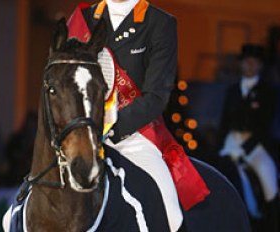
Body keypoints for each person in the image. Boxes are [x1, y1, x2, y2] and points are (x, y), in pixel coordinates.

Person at [67, 0, 209, 231]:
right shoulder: (83, 19)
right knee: (17, 211)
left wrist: (111, 126)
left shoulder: (159, 23)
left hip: (134, 136)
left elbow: (157, 96)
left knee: (171, 214)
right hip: (80, 136)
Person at [219, 44, 279, 231]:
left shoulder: (268, 91)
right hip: (232, 142)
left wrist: (250, 145)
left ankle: (273, 221)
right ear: (242, 64)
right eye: (247, 62)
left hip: (255, 144)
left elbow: (267, 123)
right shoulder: (232, 90)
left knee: (270, 183)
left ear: (260, 65)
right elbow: (225, 121)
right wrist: (220, 145)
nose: (250, 65)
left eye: (255, 62)